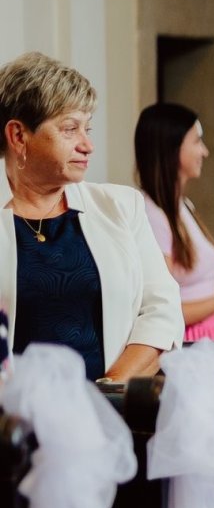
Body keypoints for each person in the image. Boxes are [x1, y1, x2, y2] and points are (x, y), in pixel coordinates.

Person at [1, 52, 181, 382]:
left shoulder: (120, 207)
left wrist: (107, 391)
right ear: (18, 136)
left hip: (111, 403)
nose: (88, 145)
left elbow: (162, 311)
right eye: (70, 129)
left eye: (88, 128)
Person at [135, 102, 214, 341]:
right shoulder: (151, 215)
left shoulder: (183, 206)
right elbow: (161, 311)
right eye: (197, 141)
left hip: (211, 336)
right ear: (172, 148)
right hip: (188, 344)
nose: (205, 152)